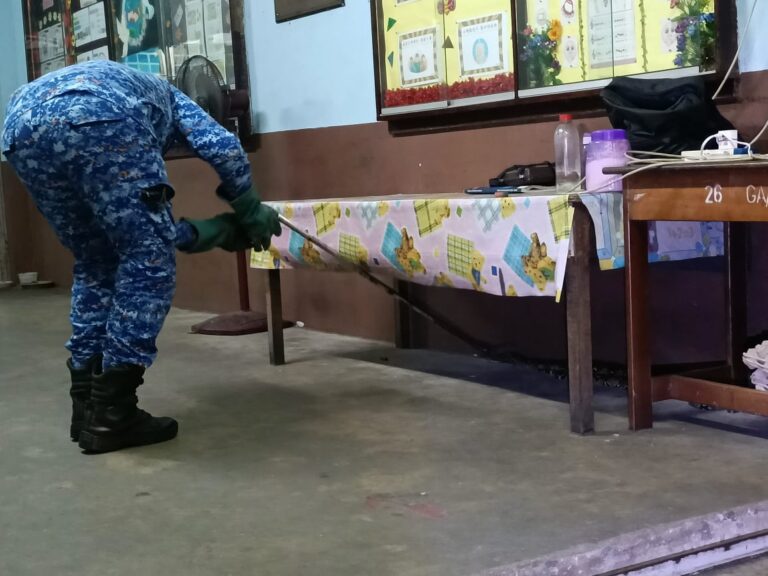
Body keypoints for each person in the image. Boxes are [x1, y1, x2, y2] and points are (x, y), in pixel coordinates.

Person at [1, 60, 281, 454]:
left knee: (95, 259)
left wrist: (210, 231)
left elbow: (137, 234)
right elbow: (222, 146)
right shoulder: (174, 99)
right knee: (149, 264)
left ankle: (87, 406)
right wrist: (249, 210)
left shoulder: (135, 87)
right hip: (98, 115)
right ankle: (114, 413)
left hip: (19, 128)